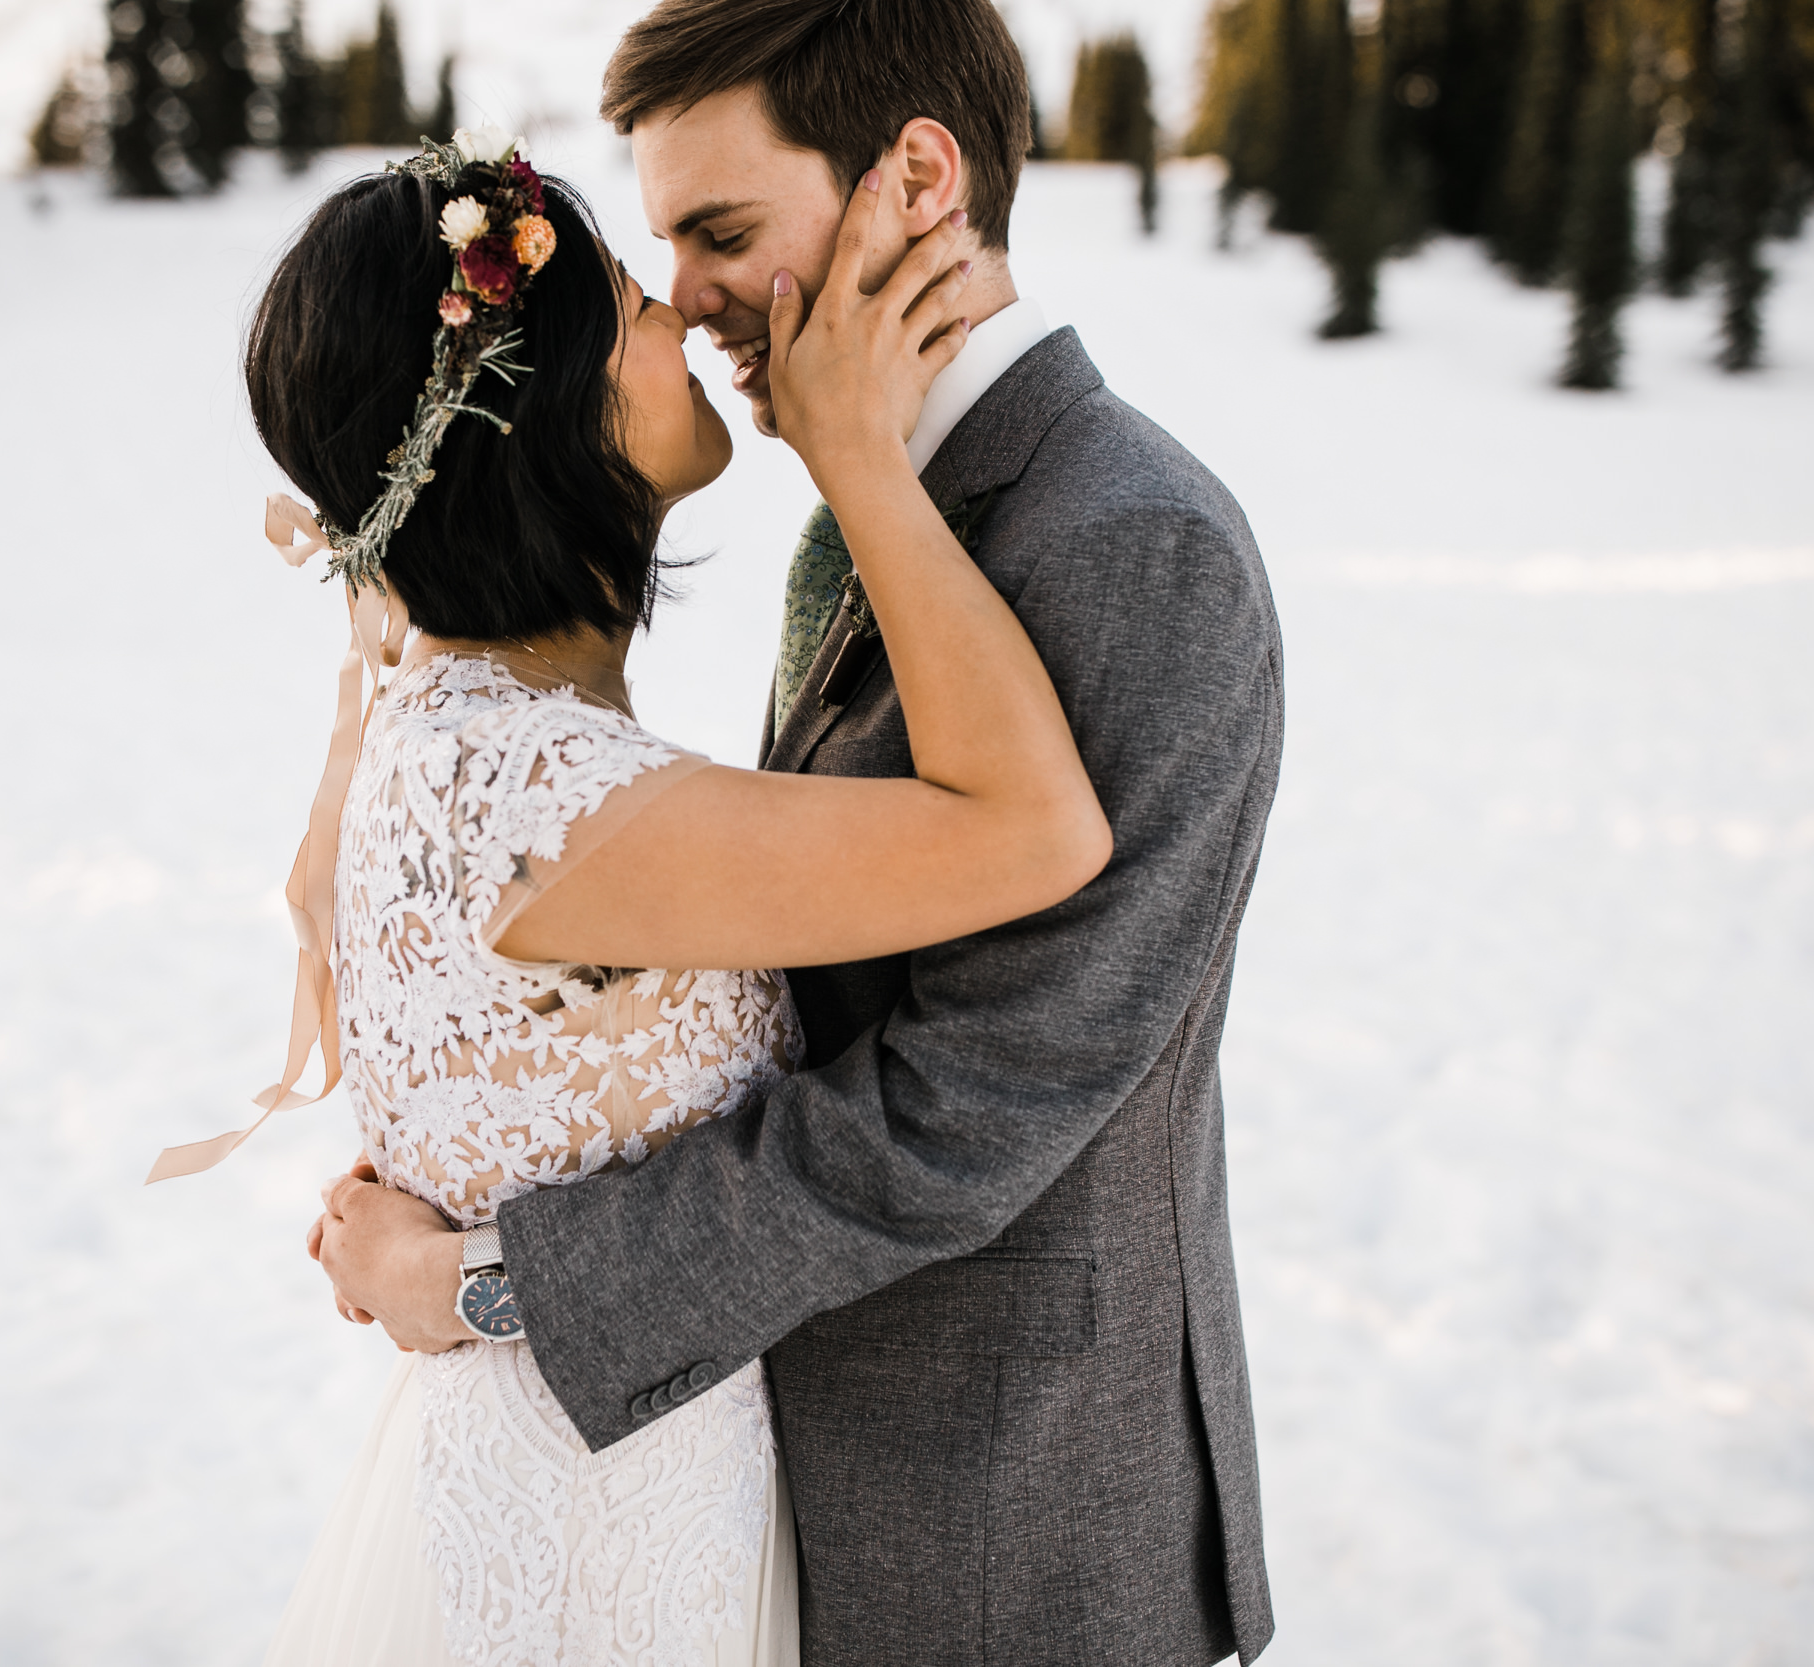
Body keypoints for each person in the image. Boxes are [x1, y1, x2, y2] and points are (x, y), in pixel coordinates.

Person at [311, 3, 1285, 1665]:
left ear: (918, 178)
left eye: (724, 232)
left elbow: (958, 1117)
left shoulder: (1133, 547)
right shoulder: (866, 513)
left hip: (998, 1535)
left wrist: (499, 1286)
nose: (682, 297)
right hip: (751, 1507)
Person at [196, 120, 1111, 1667]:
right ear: (531, 417)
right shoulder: (549, 800)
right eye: (629, 303)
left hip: (572, 1498)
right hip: (604, 1570)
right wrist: (859, 456)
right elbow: (1037, 834)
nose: (681, 313)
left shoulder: (433, 727)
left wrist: (456, 1276)